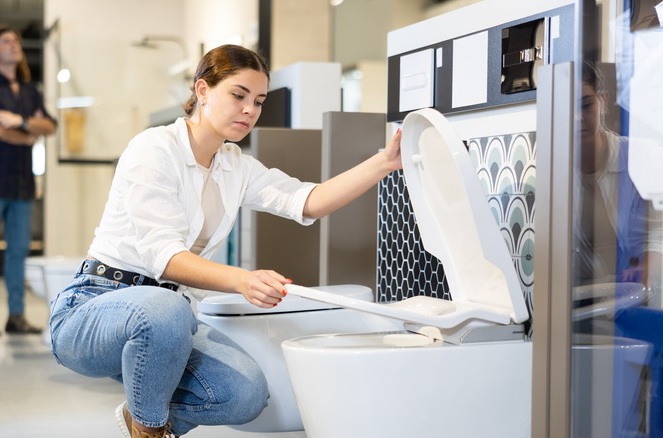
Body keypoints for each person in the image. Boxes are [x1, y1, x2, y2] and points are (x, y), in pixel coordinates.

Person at [49, 44, 402, 438]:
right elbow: (164, 260)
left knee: (244, 394)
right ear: (202, 90)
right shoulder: (153, 149)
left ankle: (142, 416)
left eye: (259, 101)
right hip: (93, 308)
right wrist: (242, 280)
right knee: (166, 308)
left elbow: (308, 201)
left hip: (171, 318)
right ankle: (149, 430)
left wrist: (383, 162)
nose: (249, 109)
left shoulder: (236, 166)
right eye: (238, 95)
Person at [0, 25, 57, 337]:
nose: (14, 44)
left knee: (18, 251)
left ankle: (15, 316)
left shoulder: (31, 91)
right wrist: (28, 135)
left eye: (16, 40)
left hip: (22, 185)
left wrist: (20, 121)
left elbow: (50, 126)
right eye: (6, 41)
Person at [575, 61, 663, 294]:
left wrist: (645, 268)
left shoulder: (643, 156)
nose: (577, 118)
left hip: (649, 294)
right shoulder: (554, 172)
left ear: (602, 101)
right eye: (566, 108)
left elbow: (662, 236)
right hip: (587, 303)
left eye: (585, 105)